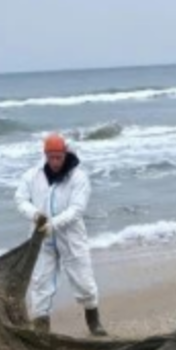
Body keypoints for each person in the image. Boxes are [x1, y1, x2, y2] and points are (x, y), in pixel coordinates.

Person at [14, 133, 108, 336]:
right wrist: (35, 214)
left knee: (84, 281)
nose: (55, 161)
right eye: (51, 157)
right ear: (45, 155)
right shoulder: (32, 176)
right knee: (40, 282)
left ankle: (94, 322)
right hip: (41, 239)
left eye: (59, 157)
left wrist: (53, 225)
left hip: (71, 238)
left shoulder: (78, 177)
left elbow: (77, 209)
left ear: (65, 154)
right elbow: (20, 199)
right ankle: (41, 327)